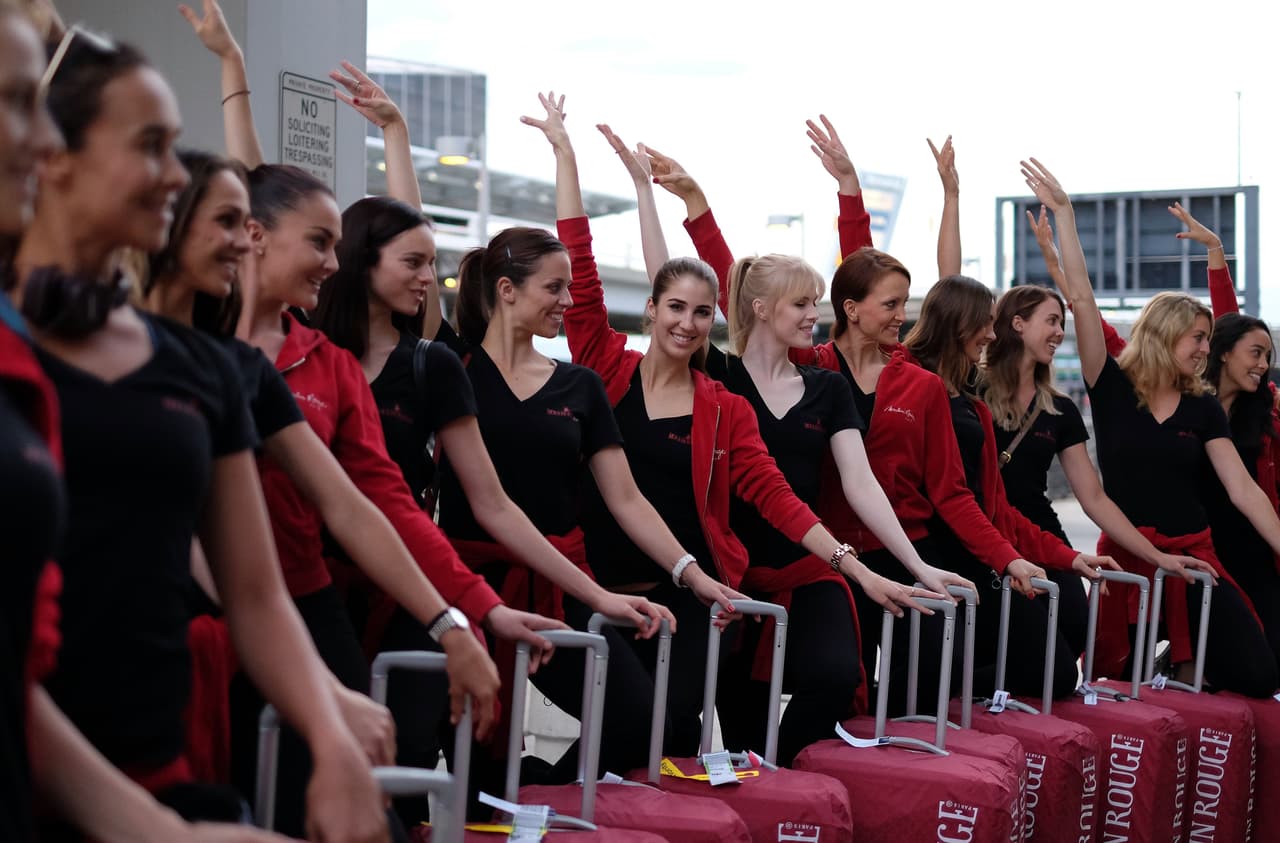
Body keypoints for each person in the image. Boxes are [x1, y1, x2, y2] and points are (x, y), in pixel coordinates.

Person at [10, 18, 387, 841]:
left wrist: (330, 735)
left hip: (161, 763)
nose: (171, 178)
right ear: (56, 154)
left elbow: (257, 591)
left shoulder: (205, 369)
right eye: (150, 147)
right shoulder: (14, 349)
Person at [310, 69, 671, 821]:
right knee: (394, 753)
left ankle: (524, 795)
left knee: (605, 725)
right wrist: (393, 135)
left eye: (431, 265)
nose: (427, 276)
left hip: (465, 577)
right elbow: (300, 234)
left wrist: (667, 578)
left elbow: (501, 503)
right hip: (376, 577)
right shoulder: (339, 352)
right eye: (413, 264)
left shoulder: (443, 366)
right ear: (506, 291)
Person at [537, 93, 938, 753]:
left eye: (700, 314)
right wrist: (579, 161)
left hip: (704, 586)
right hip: (605, 587)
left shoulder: (728, 399)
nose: (688, 322)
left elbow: (780, 493)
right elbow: (595, 265)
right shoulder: (610, 368)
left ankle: (776, 793)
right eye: (674, 308)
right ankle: (532, 787)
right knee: (648, 734)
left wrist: (869, 567)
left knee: (671, 733)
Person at [651, 120, 1089, 708]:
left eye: (906, 303)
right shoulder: (814, 364)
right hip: (806, 550)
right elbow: (747, 292)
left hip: (894, 548)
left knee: (900, 694)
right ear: (852, 309)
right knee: (810, 693)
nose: (902, 313)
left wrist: (1006, 557)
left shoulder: (915, 379)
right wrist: (702, 207)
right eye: (890, 304)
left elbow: (952, 489)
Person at [1024, 156, 1278, 695]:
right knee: (1114, 681)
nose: (1207, 350)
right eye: (1199, 339)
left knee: (1259, 673)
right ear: (1165, 336)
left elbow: (1245, 492)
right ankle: (1169, 684)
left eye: (1210, 340)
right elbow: (1084, 300)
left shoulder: (1204, 406)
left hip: (1195, 558)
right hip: (1129, 557)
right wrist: (1065, 216)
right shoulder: (1110, 384)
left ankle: (1187, 680)